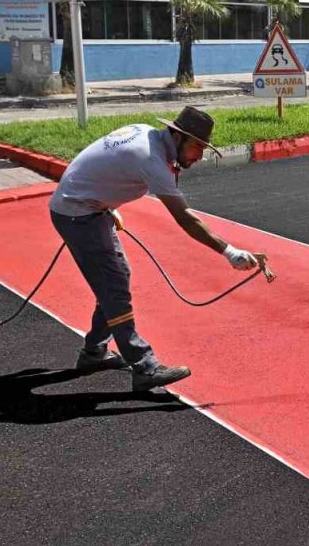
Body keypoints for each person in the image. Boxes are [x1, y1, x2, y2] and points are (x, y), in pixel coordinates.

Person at [49, 107, 260, 391]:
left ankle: (94, 353)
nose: (199, 156)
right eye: (197, 147)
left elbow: (101, 163)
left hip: (87, 206)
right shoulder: (150, 158)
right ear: (177, 137)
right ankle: (144, 368)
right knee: (114, 287)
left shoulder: (146, 135)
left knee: (116, 279)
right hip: (78, 213)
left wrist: (104, 203)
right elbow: (185, 218)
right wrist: (229, 251)